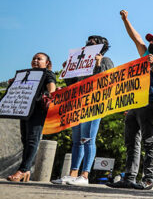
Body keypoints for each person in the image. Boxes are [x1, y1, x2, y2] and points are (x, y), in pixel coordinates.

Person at [107, 10, 153, 190]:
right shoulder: (144, 54)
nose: (151, 42)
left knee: (149, 140)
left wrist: (151, 64)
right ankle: (129, 177)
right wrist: (126, 20)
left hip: (151, 101)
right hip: (135, 101)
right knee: (131, 140)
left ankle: (149, 178)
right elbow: (137, 38)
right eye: (151, 40)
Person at [53, 36, 114, 186]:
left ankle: (85, 175)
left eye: (93, 41)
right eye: (89, 41)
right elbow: (72, 85)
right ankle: (73, 174)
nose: (89, 43)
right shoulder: (81, 63)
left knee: (87, 139)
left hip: (93, 105)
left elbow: (106, 82)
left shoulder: (106, 61)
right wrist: (68, 71)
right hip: (78, 105)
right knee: (76, 141)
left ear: (101, 46)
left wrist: (99, 64)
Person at [5, 53, 57, 182]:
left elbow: (52, 91)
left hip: (38, 110)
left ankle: (22, 170)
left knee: (32, 139)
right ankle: (26, 170)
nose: (35, 60)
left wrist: (49, 98)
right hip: (24, 109)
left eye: (39, 59)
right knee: (25, 140)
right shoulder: (27, 76)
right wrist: (14, 84)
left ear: (47, 62)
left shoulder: (47, 74)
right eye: (34, 58)